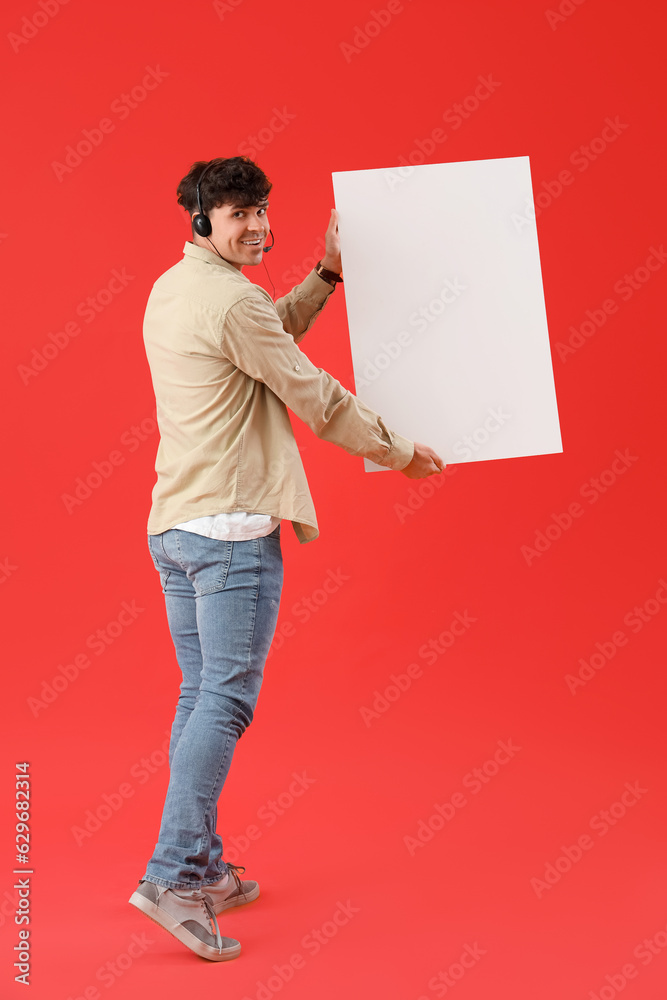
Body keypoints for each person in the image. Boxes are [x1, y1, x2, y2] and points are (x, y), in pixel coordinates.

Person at [129, 156, 445, 961]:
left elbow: (265, 335)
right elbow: (312, 395)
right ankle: (169, 876)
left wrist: (327, 275)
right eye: (239, 215)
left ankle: (197, 863)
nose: (259, 227)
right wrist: (400, 451)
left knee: (199, 695)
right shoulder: (231, 302)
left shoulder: (179, 287)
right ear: (202, 221)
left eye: (264, 211)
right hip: (231, 536)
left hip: (177, 529)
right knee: (224, 704)